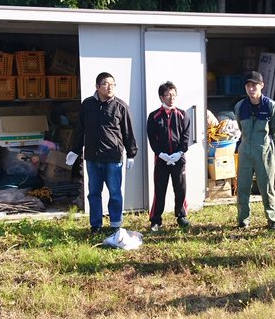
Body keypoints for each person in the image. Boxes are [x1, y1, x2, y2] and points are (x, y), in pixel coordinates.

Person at [68, 72, 138, 234]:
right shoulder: (87, 105)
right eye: (106, 84)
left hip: (113, 157)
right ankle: (96, 225)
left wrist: (131, 154)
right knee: (94, 193)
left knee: (115, 193)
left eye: (112, 84)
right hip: (92, 157)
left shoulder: (120, 106)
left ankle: (115, 224)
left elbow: (128, 132)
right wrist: (75, 150)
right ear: (97, 86)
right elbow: (80, 129)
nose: (110, 87)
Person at [234, 71, 275, 232]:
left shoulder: (271, 106)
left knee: (267, 186)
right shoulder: (240, 106)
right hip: (245, 149)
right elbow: (240, 127)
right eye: (248, 85)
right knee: (242, 186)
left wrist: (263, 143)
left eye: (254, 85)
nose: (251, 88)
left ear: (262, 85)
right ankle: (243, 219)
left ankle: (273, 219)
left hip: (264, 150)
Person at [146, 81, 191, 232]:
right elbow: (152, 138)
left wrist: (179, 153)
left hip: (179, 159)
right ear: (161, 97)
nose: (171, 98)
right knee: (160, 189)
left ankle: (181, 215)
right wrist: (161, 154)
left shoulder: (182, 114)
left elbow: (185, 137)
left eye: (173, 95)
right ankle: (156, 219)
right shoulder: (154, 116)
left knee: (180, 188)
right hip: (161, 160)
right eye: (167, 95)